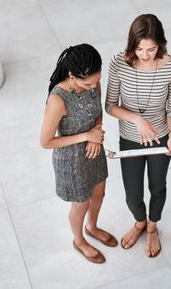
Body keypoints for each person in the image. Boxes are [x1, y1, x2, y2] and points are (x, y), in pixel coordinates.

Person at [105, 14, 171, 257]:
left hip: (161, 137)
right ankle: (139, 221)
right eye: (139, 49)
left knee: (158, 187)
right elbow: (110, 105)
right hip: (129, 137)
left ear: (161, 44)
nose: (145, 55)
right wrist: (137, 119)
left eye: (151, 49)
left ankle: (151, 226)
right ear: (131, 44)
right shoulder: (119, 62)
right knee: (133, 193)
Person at [40, 44, 116, 264]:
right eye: (87, 83)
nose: (93, 86)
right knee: (80, 204)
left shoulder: (94, 81)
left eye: (96, 80)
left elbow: (97, 111)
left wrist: (98, 131)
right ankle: (79, 240)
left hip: (94, 150)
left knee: (99, 194)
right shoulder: (58, 100)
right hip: (71, 160)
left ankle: (92, 227)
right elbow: (45, 142)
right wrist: (86, 136)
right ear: (72, 75)